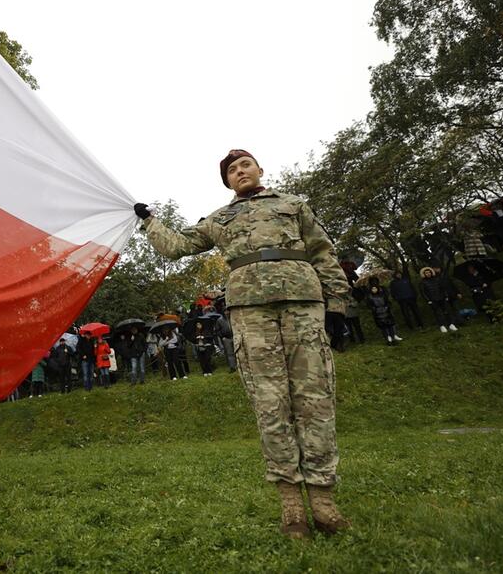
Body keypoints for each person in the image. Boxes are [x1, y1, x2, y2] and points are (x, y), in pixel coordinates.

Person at [135, 149, 351, 538]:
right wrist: (148, 220)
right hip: (250, 312)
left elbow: (322, 250)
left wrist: (336, 302)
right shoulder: (219, 219)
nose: (240, 171)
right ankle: (291, 505)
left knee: (314, 399)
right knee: (270, 402)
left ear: (259, 169)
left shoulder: (293, 204)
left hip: (302, 303)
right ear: (228, 182)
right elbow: (176, 246)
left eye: (245, 164)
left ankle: (322, 499)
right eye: (232, 170)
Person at [420, 267, 459, 332]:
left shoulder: (437, 279)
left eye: (429, 272)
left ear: (431, 272)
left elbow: (442, 288)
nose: (428, 274)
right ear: (424, 274)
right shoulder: (423, 283)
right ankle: (442, 326)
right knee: (438, 313)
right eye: (426, 273)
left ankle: (451, 325)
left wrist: (446, 296)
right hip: (433, 300)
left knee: (446, 311)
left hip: (441, 298)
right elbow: (423, 293)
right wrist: (428, 300)